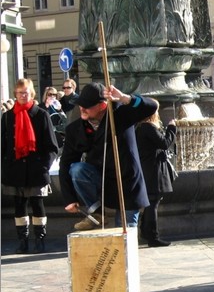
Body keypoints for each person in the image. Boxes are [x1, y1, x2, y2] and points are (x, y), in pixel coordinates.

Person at [59, 82, 157, 230]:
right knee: (76, 169)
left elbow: (151, 106)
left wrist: (124, 98)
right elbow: (66, 163)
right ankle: (96, 213)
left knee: (125, 236)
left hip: (126, 184)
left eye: (87, 105)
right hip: (102, 181)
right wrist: (69, 198)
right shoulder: (75, 129)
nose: (82, 108)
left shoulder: (121, 115)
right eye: (81, 104)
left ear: (102, 106)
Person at [0, 78, 59, 253]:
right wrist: (4, 166)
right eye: (20, 93)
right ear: (15, 94)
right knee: (19, 205)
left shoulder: (41, 115)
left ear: (31, 93)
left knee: (37, 204)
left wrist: (44, 167)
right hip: (15, 170)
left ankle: (40, 241)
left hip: (36, 169)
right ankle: (23, 241)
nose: (23, 95)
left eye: (26, 92)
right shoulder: (7, 117)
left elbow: (52, 146)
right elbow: (3, 145)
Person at [136, 102, 176, 247]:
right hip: (153, 170)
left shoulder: (140, 127)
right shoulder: (148, 127)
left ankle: (145, 232)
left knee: (151, 202)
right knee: (153, 203)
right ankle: (153, 237)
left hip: (147, 168)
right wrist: (172, 128)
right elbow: (164, 143)